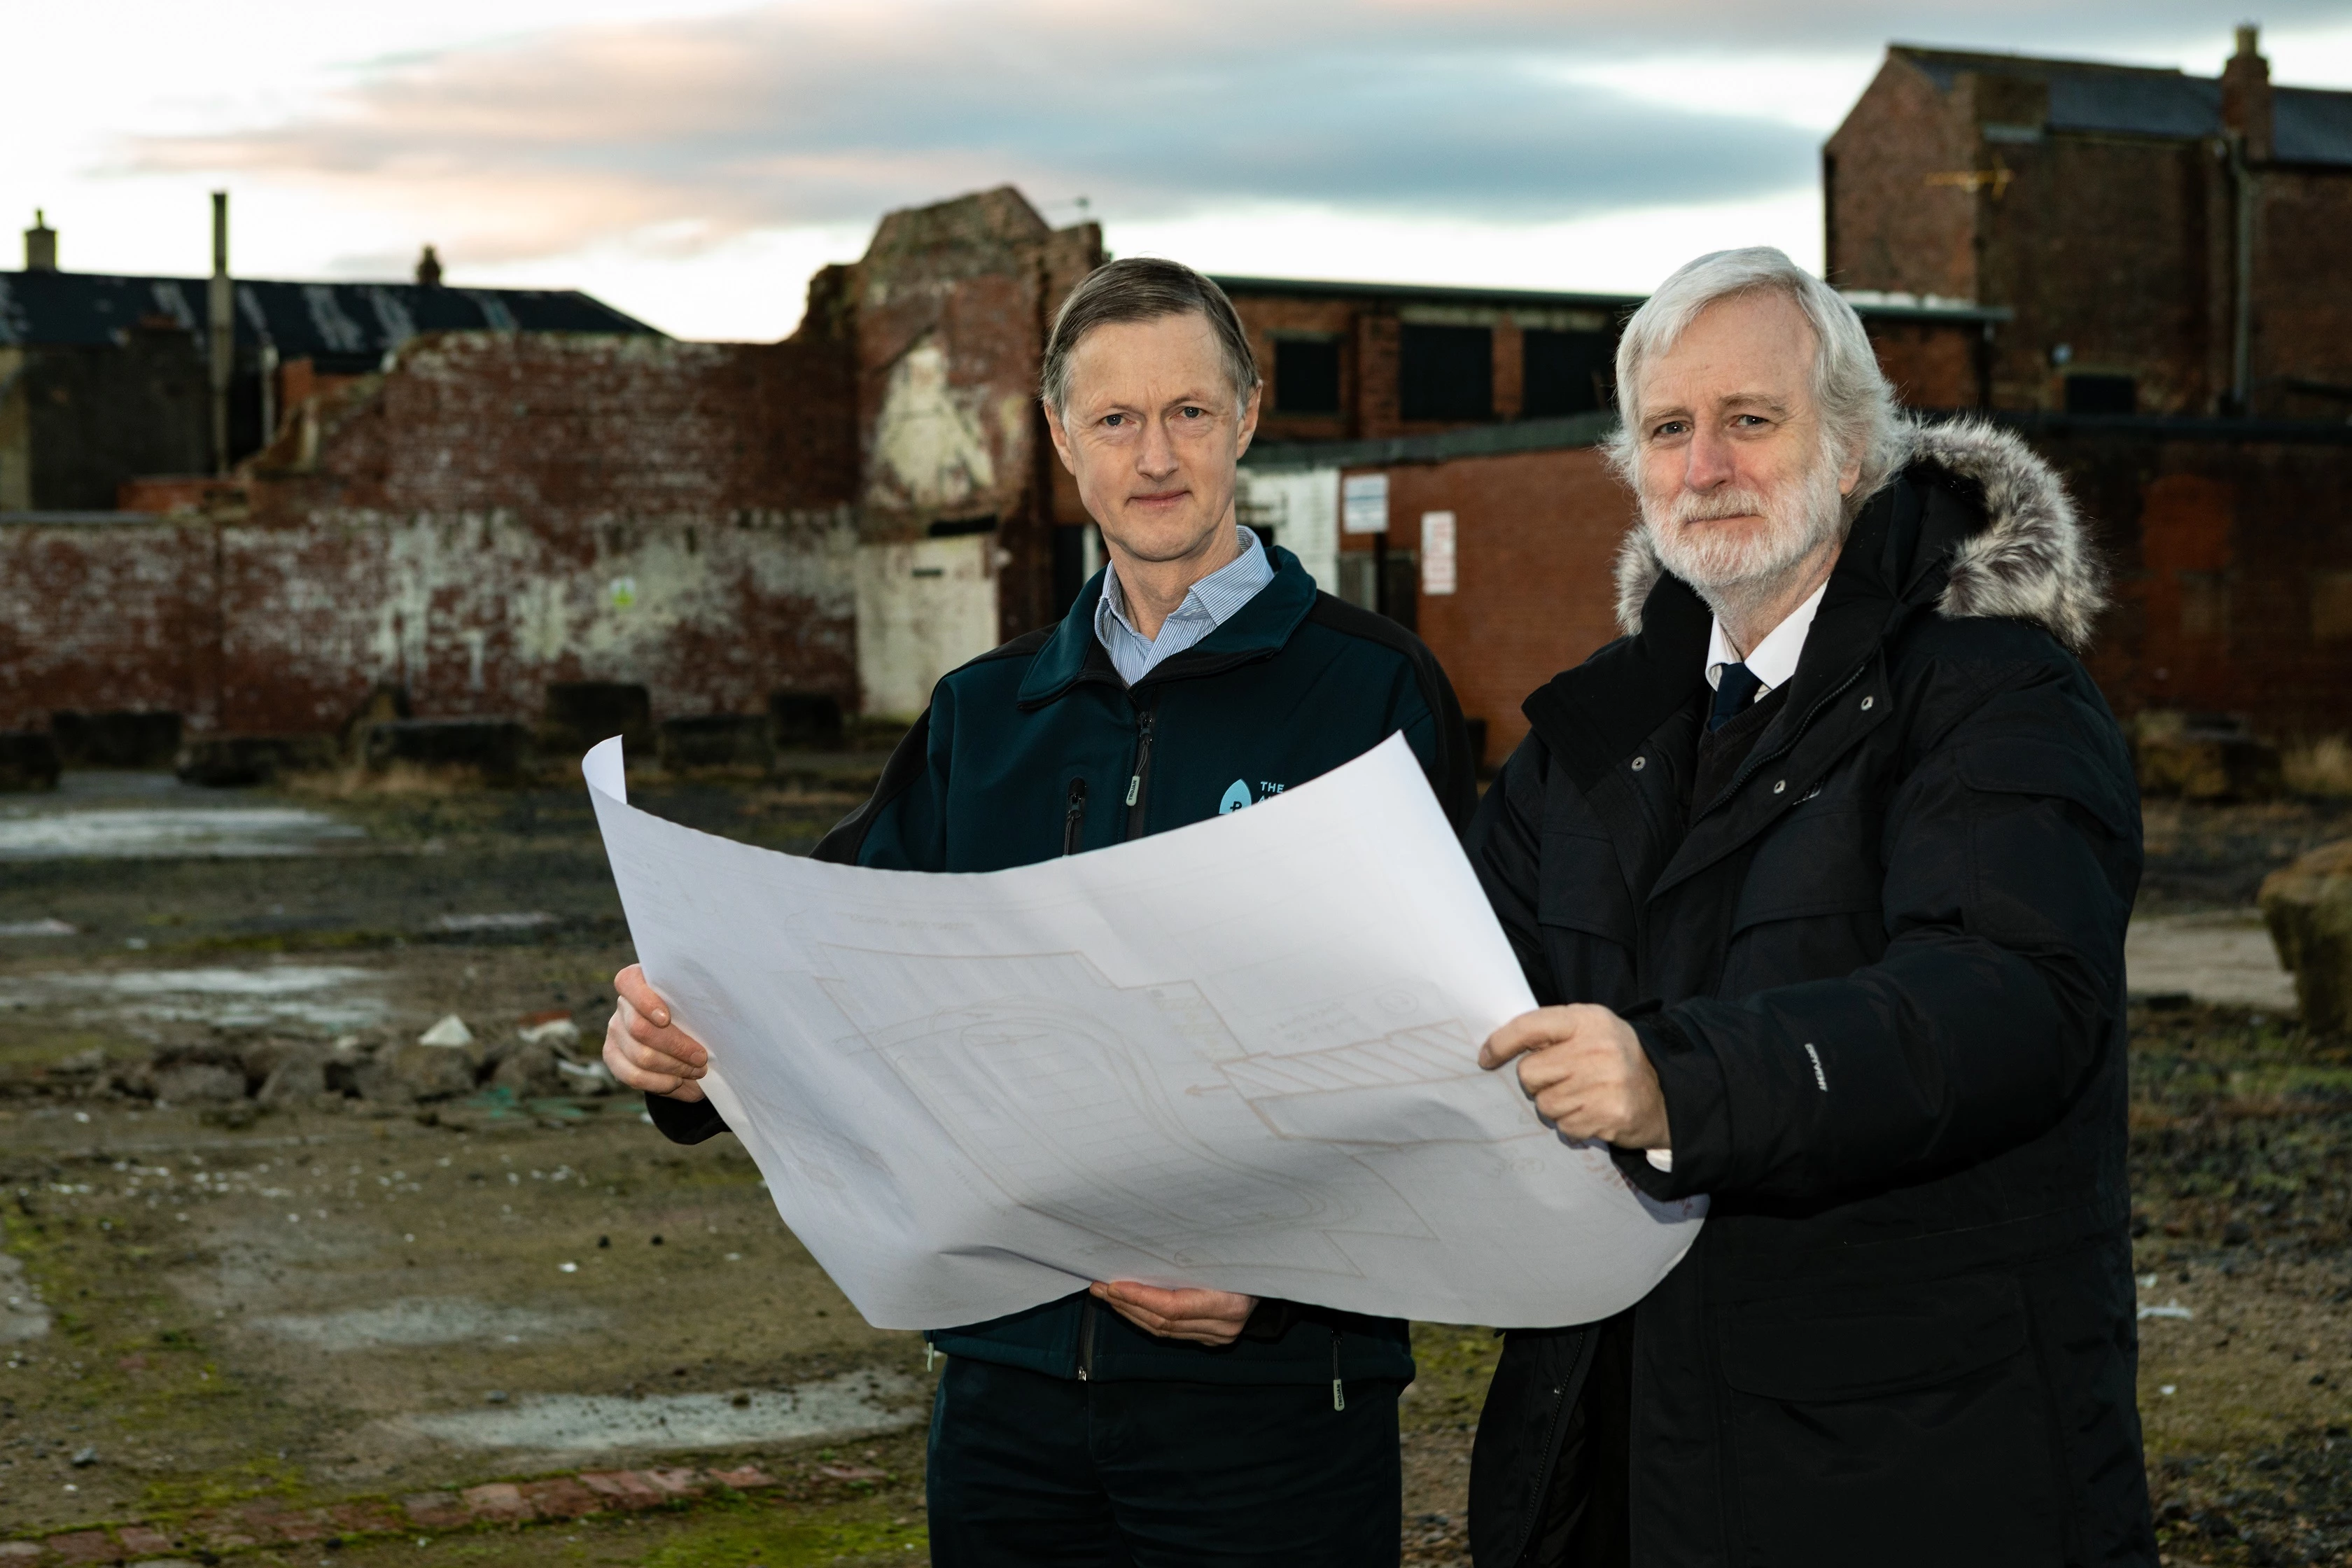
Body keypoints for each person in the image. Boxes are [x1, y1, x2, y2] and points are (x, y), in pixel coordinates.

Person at [604, 257, 1476, 1567]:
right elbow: (823, 959)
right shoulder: (983, 713)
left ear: (1247, 414)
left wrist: (1280, 1288)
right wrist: (678, 1056)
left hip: (1273, 1407)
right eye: (1116, 420)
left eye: (1189, 410)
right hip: (1008, 1393)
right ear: (1062, 441)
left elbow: (1448, 1049)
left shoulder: (1374, 697)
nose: (1158, 455)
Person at [1464, 248, 2151, 1567]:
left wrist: (1681, 1083)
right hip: (1619, 1444)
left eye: (1750, 421)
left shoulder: (1992, 694)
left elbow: (2012, 996)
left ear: (1849, 453)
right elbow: (1442, 992)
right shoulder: (1592, 737)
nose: (1706, 465)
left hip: (1911, 1464)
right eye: (1670, 428)